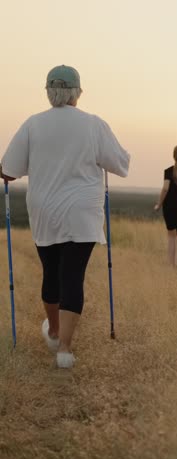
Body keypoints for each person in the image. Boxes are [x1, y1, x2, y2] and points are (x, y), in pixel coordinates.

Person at [0, 65, 130, 369]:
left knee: (51, 272)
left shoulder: (33, 124)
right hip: (82, 213)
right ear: (77, 93)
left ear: (49, 92)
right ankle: (65, 352)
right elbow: (120, 164)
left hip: (45, 211)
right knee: (73, 276)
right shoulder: (94, 124)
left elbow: (7, 171)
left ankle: (56, 333)